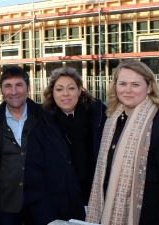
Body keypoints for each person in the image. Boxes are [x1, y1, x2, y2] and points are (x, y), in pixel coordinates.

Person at [86, 59, 159, 225]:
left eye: (136, 84)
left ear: (150, 86)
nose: (128, 90)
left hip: (148, 217)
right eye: (123, 83)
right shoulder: (112, 121)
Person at [24, 67, 107, 225]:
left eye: (71, 88)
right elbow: (34, 180)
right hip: (60, 211)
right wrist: (49, 219)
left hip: (99, 208)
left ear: (80, 90)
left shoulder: (100, 120)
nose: (65, 94)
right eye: (59, 89)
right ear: (52, 93)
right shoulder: (42, 127)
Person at [0, 66, 41, 225]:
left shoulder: (44, 116)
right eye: (8, 86)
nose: (14, 91)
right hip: (5, 203)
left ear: (28, 88)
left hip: (39, 202)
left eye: (19, 85)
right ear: (1, 90)